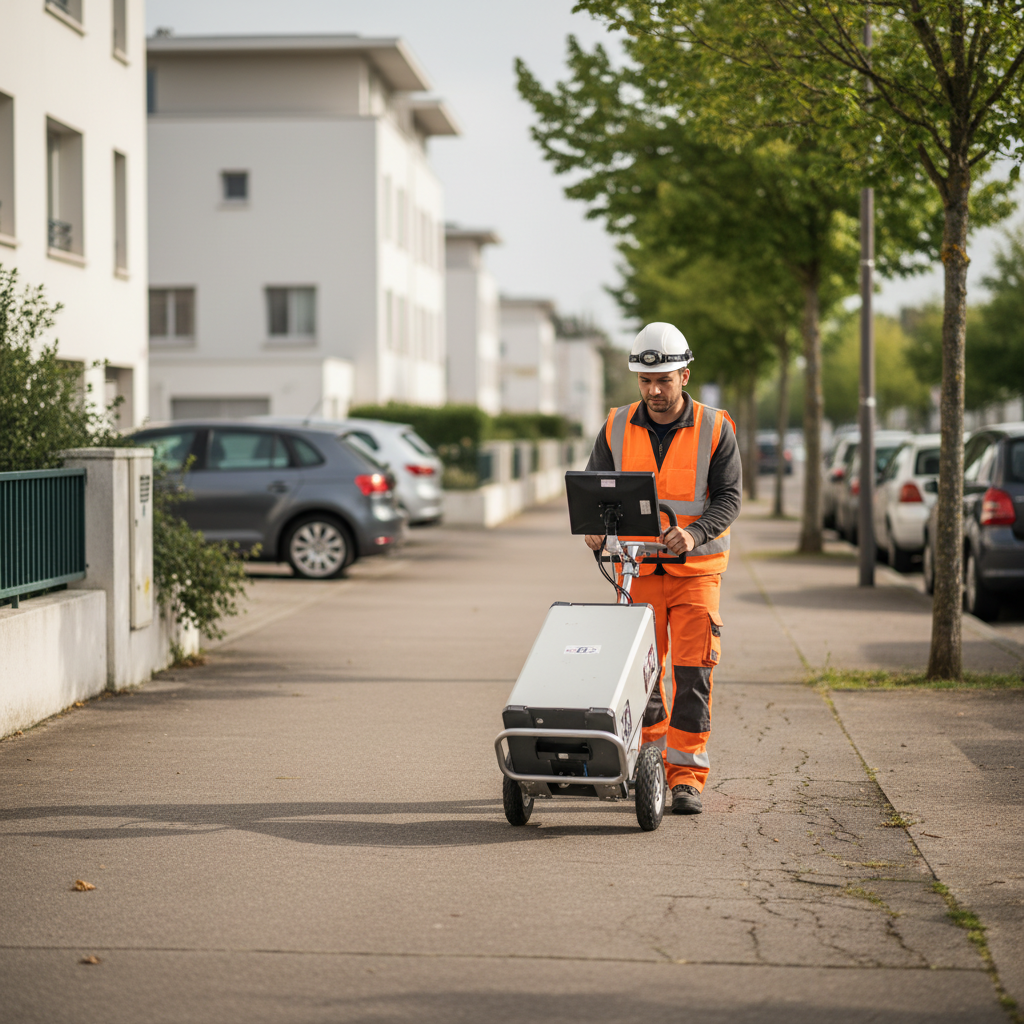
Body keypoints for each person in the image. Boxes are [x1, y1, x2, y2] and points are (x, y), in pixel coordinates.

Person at [585, 322, 741, 814]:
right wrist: (593, 525)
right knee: (644, 679)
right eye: (646, 381)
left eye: (664, 381)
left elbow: (730, 498)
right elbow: (593, 487)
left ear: (684, 376)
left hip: (695, 573)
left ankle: (686, 778)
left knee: (692, 674)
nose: (654, 391)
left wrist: (693, 533)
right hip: (637, 572)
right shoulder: (615, 425)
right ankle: (647, 765)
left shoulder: (716, 428)